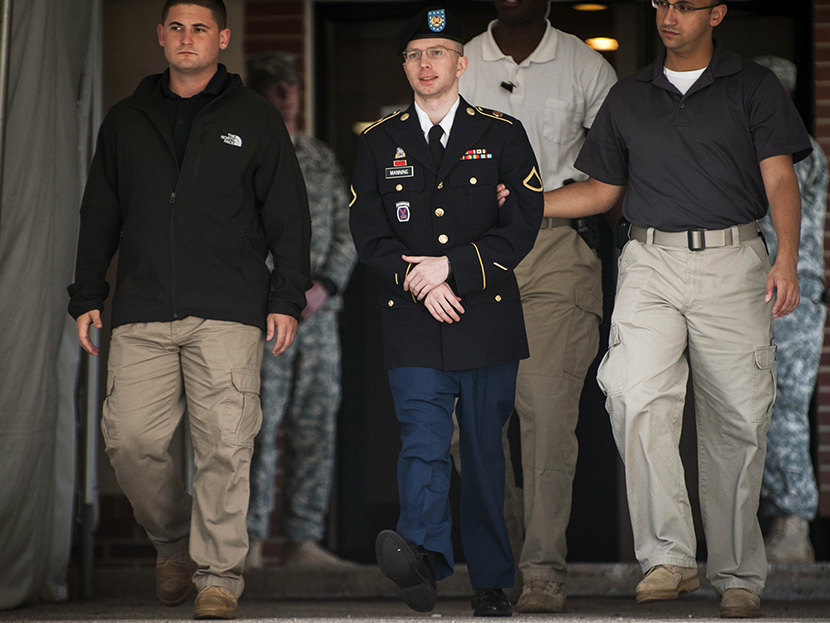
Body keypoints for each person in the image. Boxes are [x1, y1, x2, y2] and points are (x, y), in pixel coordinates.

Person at [537, 0, 811, 618]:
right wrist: (527, 204)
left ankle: (738, 572)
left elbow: (779, 180)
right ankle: (669, 557)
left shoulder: (754, 86)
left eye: (685, 5)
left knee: (739, 417)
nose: (669, 15)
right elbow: (605, 190)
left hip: (733, 257)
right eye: (662, 2)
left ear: (715, 13)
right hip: (649, 259)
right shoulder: (630, 95)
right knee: (633, 393)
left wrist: (786, 258)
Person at [67, 0, 311, 618]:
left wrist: (285, 298)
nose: (186, 37)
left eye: (200, 27)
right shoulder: (126, 120)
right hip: (142, 308)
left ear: (222, 38)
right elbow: (99, 214)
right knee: (128, 439)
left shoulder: (254, 117)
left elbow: (288, 215)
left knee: (226, 446)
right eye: (175, 26)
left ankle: (220, 575)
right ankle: (174, 543)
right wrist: (88, 294)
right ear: (160, 36)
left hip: (229, 309)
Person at [349, 7, 543, 617]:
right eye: (413, 54)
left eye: (437, 53)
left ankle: (490, 578)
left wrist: (452, 266)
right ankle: (426, 561)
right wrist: (418, 278)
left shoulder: (502, 134)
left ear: (462, 64)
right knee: (423, 443)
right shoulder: (378, 141)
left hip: (483, 316)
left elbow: (524, 220)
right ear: (403, 65)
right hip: (412, 317)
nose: (424, 64)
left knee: (485, 451)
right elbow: (368, 231)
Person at [459, 0, 616, 612]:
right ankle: (503, 560)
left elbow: (613, 176)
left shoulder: (584, 65)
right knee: (468, 423)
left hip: (555, 249)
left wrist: (529, 204)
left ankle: (544, 568)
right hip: (468, 252)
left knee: (547, 416)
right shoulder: (459, 59)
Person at [244, 51, 358, 570]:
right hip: (264, 315)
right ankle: (246, 539)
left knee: (315, 424)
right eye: (275, 86)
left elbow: (347, 230)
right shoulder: (242, 156)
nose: (286, 95)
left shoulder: (319, 157)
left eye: (292, 86)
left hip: (319, 317)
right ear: (258, 94)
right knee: (256, 425)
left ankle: (304, 540)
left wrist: (326, 285)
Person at [753, 55, 827, 564]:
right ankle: (772, 522)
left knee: (784, 411)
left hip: (789, 296)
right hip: (762, 293)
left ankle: (795, 524)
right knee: (754, 409)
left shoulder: (794, 150)